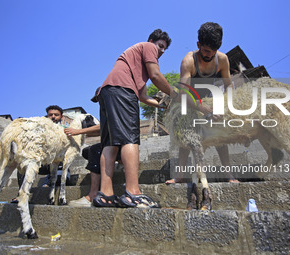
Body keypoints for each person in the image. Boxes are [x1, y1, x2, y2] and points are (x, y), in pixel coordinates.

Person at [93, 29, 176, 208]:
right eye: (160, 46)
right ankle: (133, 193)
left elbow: (143, 96)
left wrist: (162, 104)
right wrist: (175, 94)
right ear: (152, 41)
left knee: (109, 144)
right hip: (122, 91)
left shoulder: (135, 65)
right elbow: (156, 76)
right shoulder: (148, 47)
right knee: (129, 138)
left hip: (108, 92)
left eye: (164, 49)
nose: (161, 51)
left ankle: (105, 194)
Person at [165, 22, 239, 184]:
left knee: (219, 134)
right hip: (189, 100)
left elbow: (228, 85)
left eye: (213, 52)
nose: (209, 55)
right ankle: (179, 176)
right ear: (198, 45)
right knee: (186, 135)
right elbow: (184, 93)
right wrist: (203, 108)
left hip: (209, 99)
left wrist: (226, 106)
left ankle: (229, 175)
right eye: (206, 51)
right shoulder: (188, 61)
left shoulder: (222, 59)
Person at [11, 105, 71, 203]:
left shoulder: (65, 130)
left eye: (56, 115)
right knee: (22, 165)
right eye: (50, 115)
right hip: (42, 162)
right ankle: (21, 195)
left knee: (60, 166)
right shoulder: (40, 129)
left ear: (61, 117)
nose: (53, 117)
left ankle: (51, 188)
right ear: (47, 116)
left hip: (56, 162)